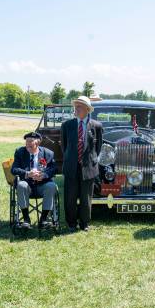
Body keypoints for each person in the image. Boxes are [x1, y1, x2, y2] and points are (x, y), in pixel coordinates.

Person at [61, 96, 103, 231]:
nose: (76, 109)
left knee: (86, 198)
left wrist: (90, 160)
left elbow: (98, 148)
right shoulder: (67, 125)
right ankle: (71, 223)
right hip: (71, 166)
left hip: (88, 167)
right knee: (70, 197)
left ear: (87, 109)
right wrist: (72, 158)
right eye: (76, 106)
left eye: (79, 106)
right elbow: (64, 146)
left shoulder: (96, 126)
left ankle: (84, 223)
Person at [11, 132, 57, 229]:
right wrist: (27, 173)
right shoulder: (20, 152)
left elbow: (54, 169)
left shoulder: (48, 153)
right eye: (26, 141)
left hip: (42, 185)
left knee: (51, 186)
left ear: (38, 143)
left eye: (30, 141)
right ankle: (26, 219)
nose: (28, 144)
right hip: (27, 185)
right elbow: (14, 169)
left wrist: (44, 175)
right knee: (21, 185)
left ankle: (43, 219)